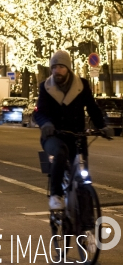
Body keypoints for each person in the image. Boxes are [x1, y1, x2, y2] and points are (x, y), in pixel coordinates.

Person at [35, 50, 111, 210]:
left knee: (84, 181)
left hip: (77, 136)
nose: (57, 70)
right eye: (54, 67)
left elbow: (92, 108)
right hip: (53, 136)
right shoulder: (46, 87)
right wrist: (46, 124)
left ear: (68, 68)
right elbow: (40, 112)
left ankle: (87, 227)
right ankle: (56, 196)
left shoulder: (81, 85)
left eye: (61, 67)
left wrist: (102, 126)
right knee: (60, 153)